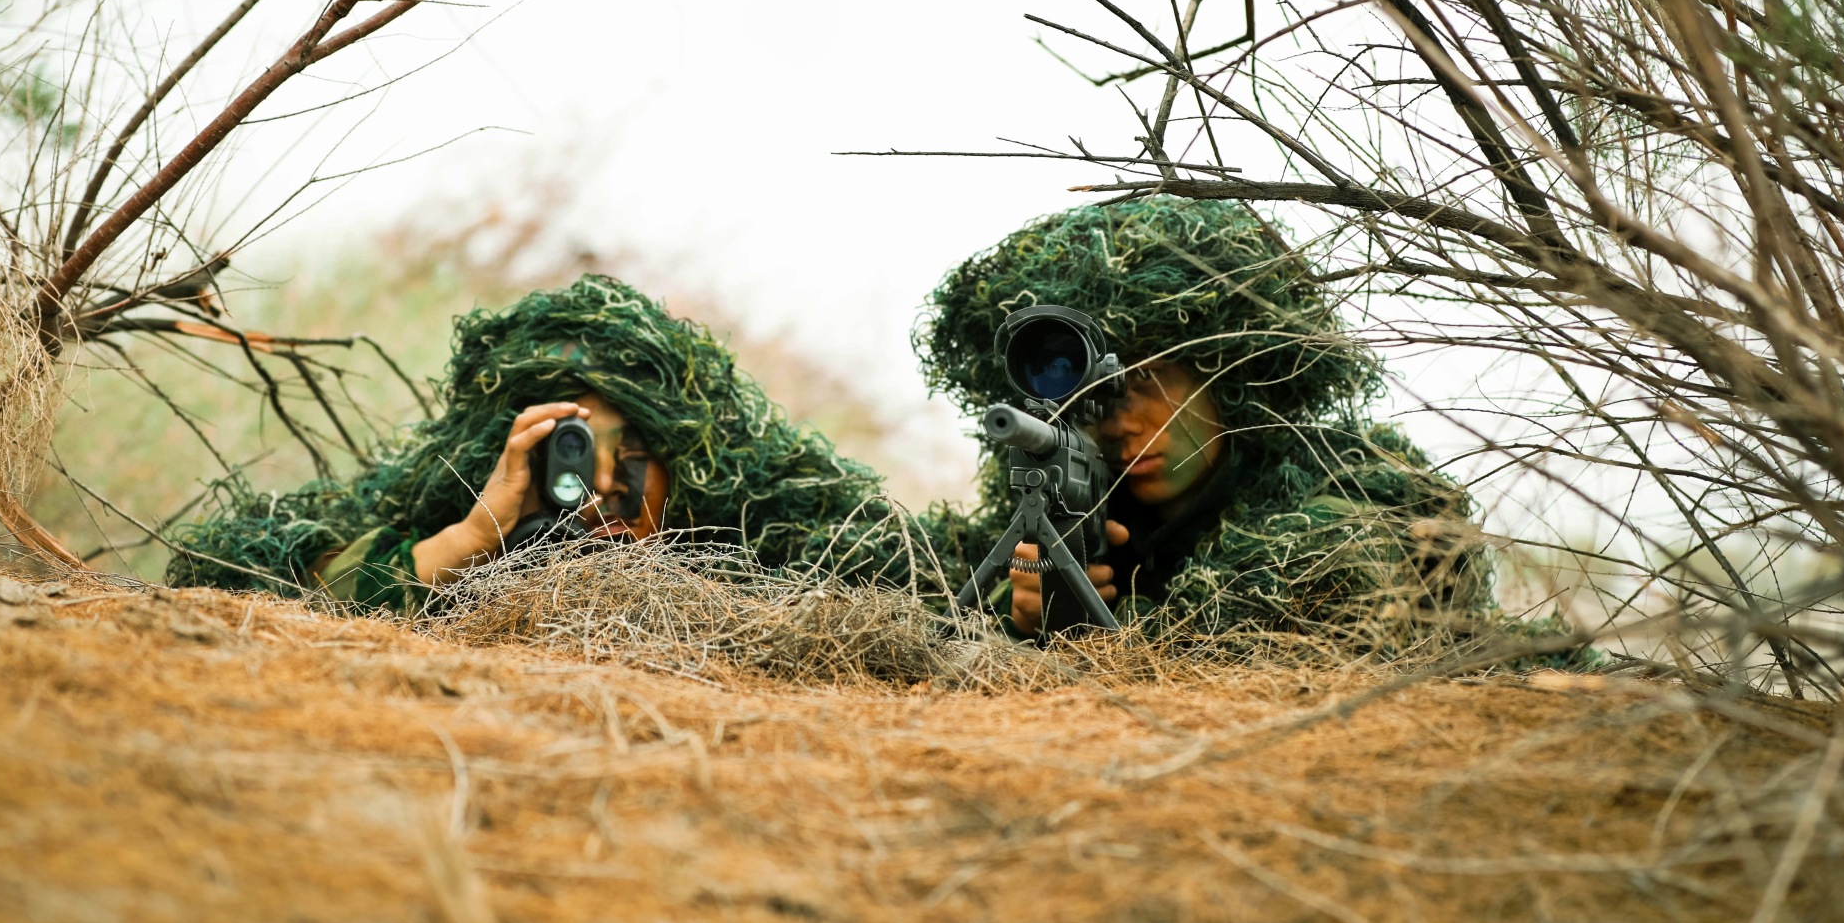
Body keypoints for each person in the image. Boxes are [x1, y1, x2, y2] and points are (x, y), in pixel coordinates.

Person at [910, 197, 1494, 644]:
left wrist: (1111, 621)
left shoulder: (1335, 494)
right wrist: (1024, 613)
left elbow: (1290, 635)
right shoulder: (1079, 506)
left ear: (1221, 380)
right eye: (1098, 403)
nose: (1120, 427)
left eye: (1146, 385)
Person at [166, 275, 907, 612]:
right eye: (575, 445)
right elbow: (273, 599)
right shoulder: (465, 567)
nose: (607, 483)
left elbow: (931, 601)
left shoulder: (764, 562)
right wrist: (472, 535)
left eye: (638, 450)